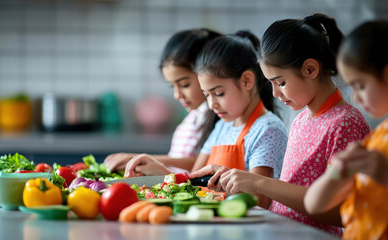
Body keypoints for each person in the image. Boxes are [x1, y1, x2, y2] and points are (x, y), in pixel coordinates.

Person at [189, 14, 370, 236]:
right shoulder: (302, 120)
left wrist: (258, 184)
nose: (275, 93)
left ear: (310, 69)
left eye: (281, 82)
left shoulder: (345, 123)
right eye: (271, 84)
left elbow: (343, 212)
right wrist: (239, 178)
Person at [126, 31, 288, 209]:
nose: (211, 105)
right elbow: (195, 182)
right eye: (206, 95)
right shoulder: (222, 127)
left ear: (247, 81)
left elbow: (258, 200)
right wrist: (161, 172)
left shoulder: (267, 129)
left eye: (218, 93)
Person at [304, 20, 388, 240]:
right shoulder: (375, 140)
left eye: (360, 85)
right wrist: (336, 174)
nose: (357, 98)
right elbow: (314, 204)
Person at [104, 29, 221, 174]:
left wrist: (150, 160)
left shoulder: (222, 120)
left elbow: (204, 167)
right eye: (172, 86)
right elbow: (187, 161)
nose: (177, 95)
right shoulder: (194, 118)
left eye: (184, 84)